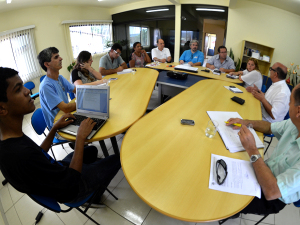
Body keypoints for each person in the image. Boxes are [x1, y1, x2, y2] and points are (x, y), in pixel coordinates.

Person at [0, 67, 121, 207]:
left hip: (57, 171)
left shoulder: (11, 139)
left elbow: (38, 154)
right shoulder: (19, 154)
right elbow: (72, 180)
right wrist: (80, 137)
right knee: (117, 158)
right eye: (18, 89)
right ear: (2, 109)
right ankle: (93, 196)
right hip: (72, 189)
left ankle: (95, 176)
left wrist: (55, 128)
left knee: (92, 151)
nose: (27, 91)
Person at [224, 83, 300, 217]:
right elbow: (270, 127)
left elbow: (272, 192)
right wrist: (245, 122)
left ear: (298, 111)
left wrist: (253, 150)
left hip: (271, 197)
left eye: (290, 102)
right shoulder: (295, 124)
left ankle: (231, 211)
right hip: (263, 169)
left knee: (225, 195)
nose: (288, 106)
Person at [38, 47, 76, 131]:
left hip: (67, 116)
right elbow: (66, 108)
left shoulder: (60, 78)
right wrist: (84, 103)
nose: (61, 58)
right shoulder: (46, 86)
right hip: (58, 126)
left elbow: (76, 90)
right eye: (56, 57)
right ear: (47, 64)